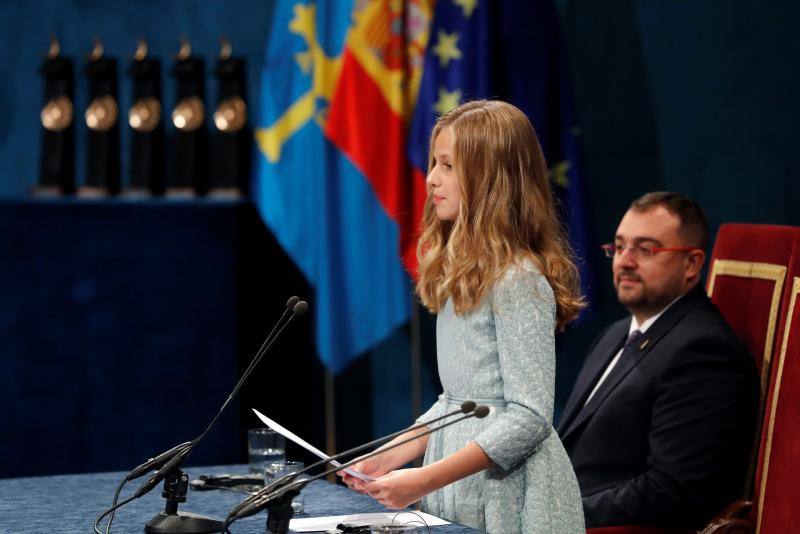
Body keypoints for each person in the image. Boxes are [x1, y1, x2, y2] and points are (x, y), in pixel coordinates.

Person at [339, 100, 586, 533]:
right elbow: (457, 404)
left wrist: (424, 479)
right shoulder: (463, 276)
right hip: (458, 483)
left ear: (492, 180)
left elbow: (529, 417)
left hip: (509, 496)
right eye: (435, 162)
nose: (431, 178)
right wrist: (392, 453)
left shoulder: (519, 280)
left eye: (448, 165)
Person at [556, 192, 759, 529]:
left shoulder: (703, 352)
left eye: (645, 249)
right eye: (619, 247)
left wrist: (551, 515)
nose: (625, 261)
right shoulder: (616, 332)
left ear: (692, 264)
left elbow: (668, 491)